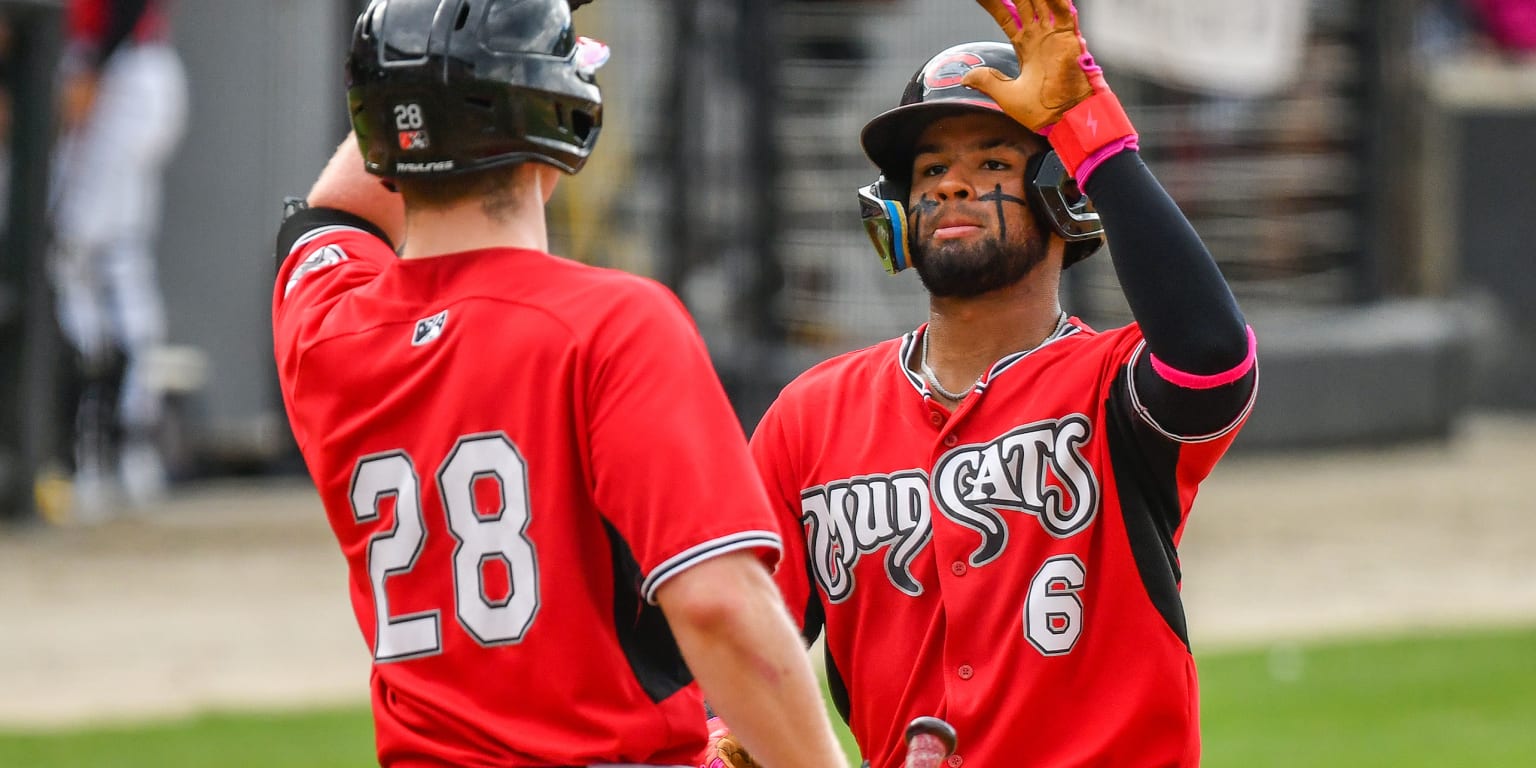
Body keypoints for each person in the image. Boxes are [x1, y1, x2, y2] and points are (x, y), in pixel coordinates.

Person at [270, 1, 846, 767]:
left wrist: (431, 51)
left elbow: (335, 210)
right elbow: (718, 605)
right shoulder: (610, 321)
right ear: (559, 115)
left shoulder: (324, 327)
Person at [746, 1, 1259, 766]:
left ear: (1060, 192)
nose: (953, 185)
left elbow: (1212, 355)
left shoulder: (1112, 388)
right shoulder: (810, 417)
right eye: (930, 170)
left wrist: (1091, 132)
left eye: (991, 163)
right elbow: (742, 639)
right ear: (894, 209)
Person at [49, 0, 188, 514]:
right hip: (122, 64)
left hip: (122, 65)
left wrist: (94, 67)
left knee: (80, 256)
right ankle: (121, 447)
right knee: (113, 263)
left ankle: (102, 443)